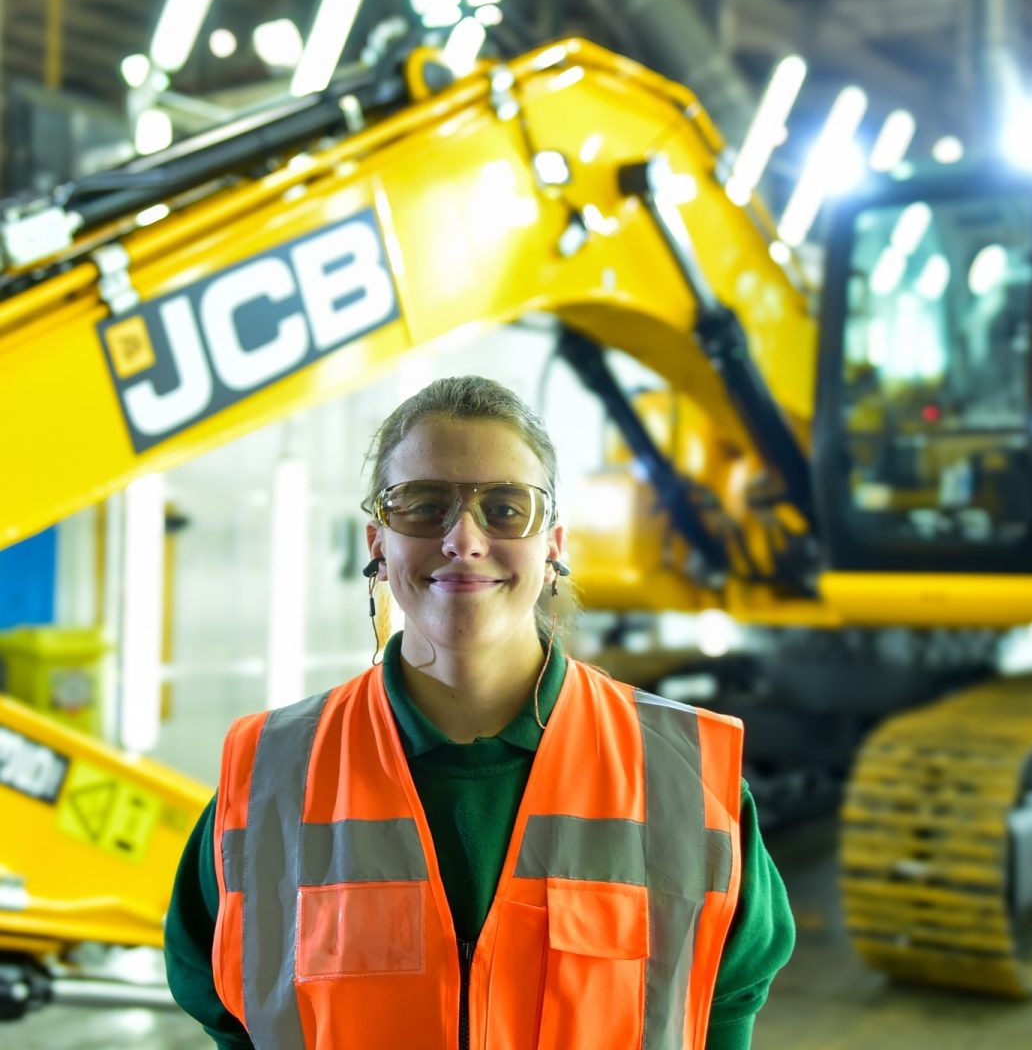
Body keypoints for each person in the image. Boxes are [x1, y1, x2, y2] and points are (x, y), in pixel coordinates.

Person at [165, 375, 795, 1049]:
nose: (462, 539)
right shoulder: (271, 778)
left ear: (553, 543)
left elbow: (721, 1002)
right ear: (377, 541)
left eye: (503, 509)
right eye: (423, 505)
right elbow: (228, 1003)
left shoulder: (682, 778)